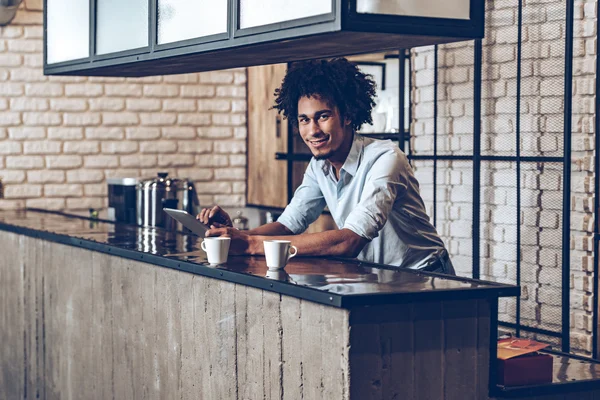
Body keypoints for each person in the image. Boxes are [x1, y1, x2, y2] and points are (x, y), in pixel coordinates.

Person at [198, 58, 454, 274]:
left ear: (348, 116)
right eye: (304, 120)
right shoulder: (319, 166)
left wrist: (251, 243)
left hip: (425, 275)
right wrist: (234, 236)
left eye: (323, 116)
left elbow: (350, 241)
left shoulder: (386, 158)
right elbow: (289, 224)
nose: (313, 131)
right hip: (379, 276)